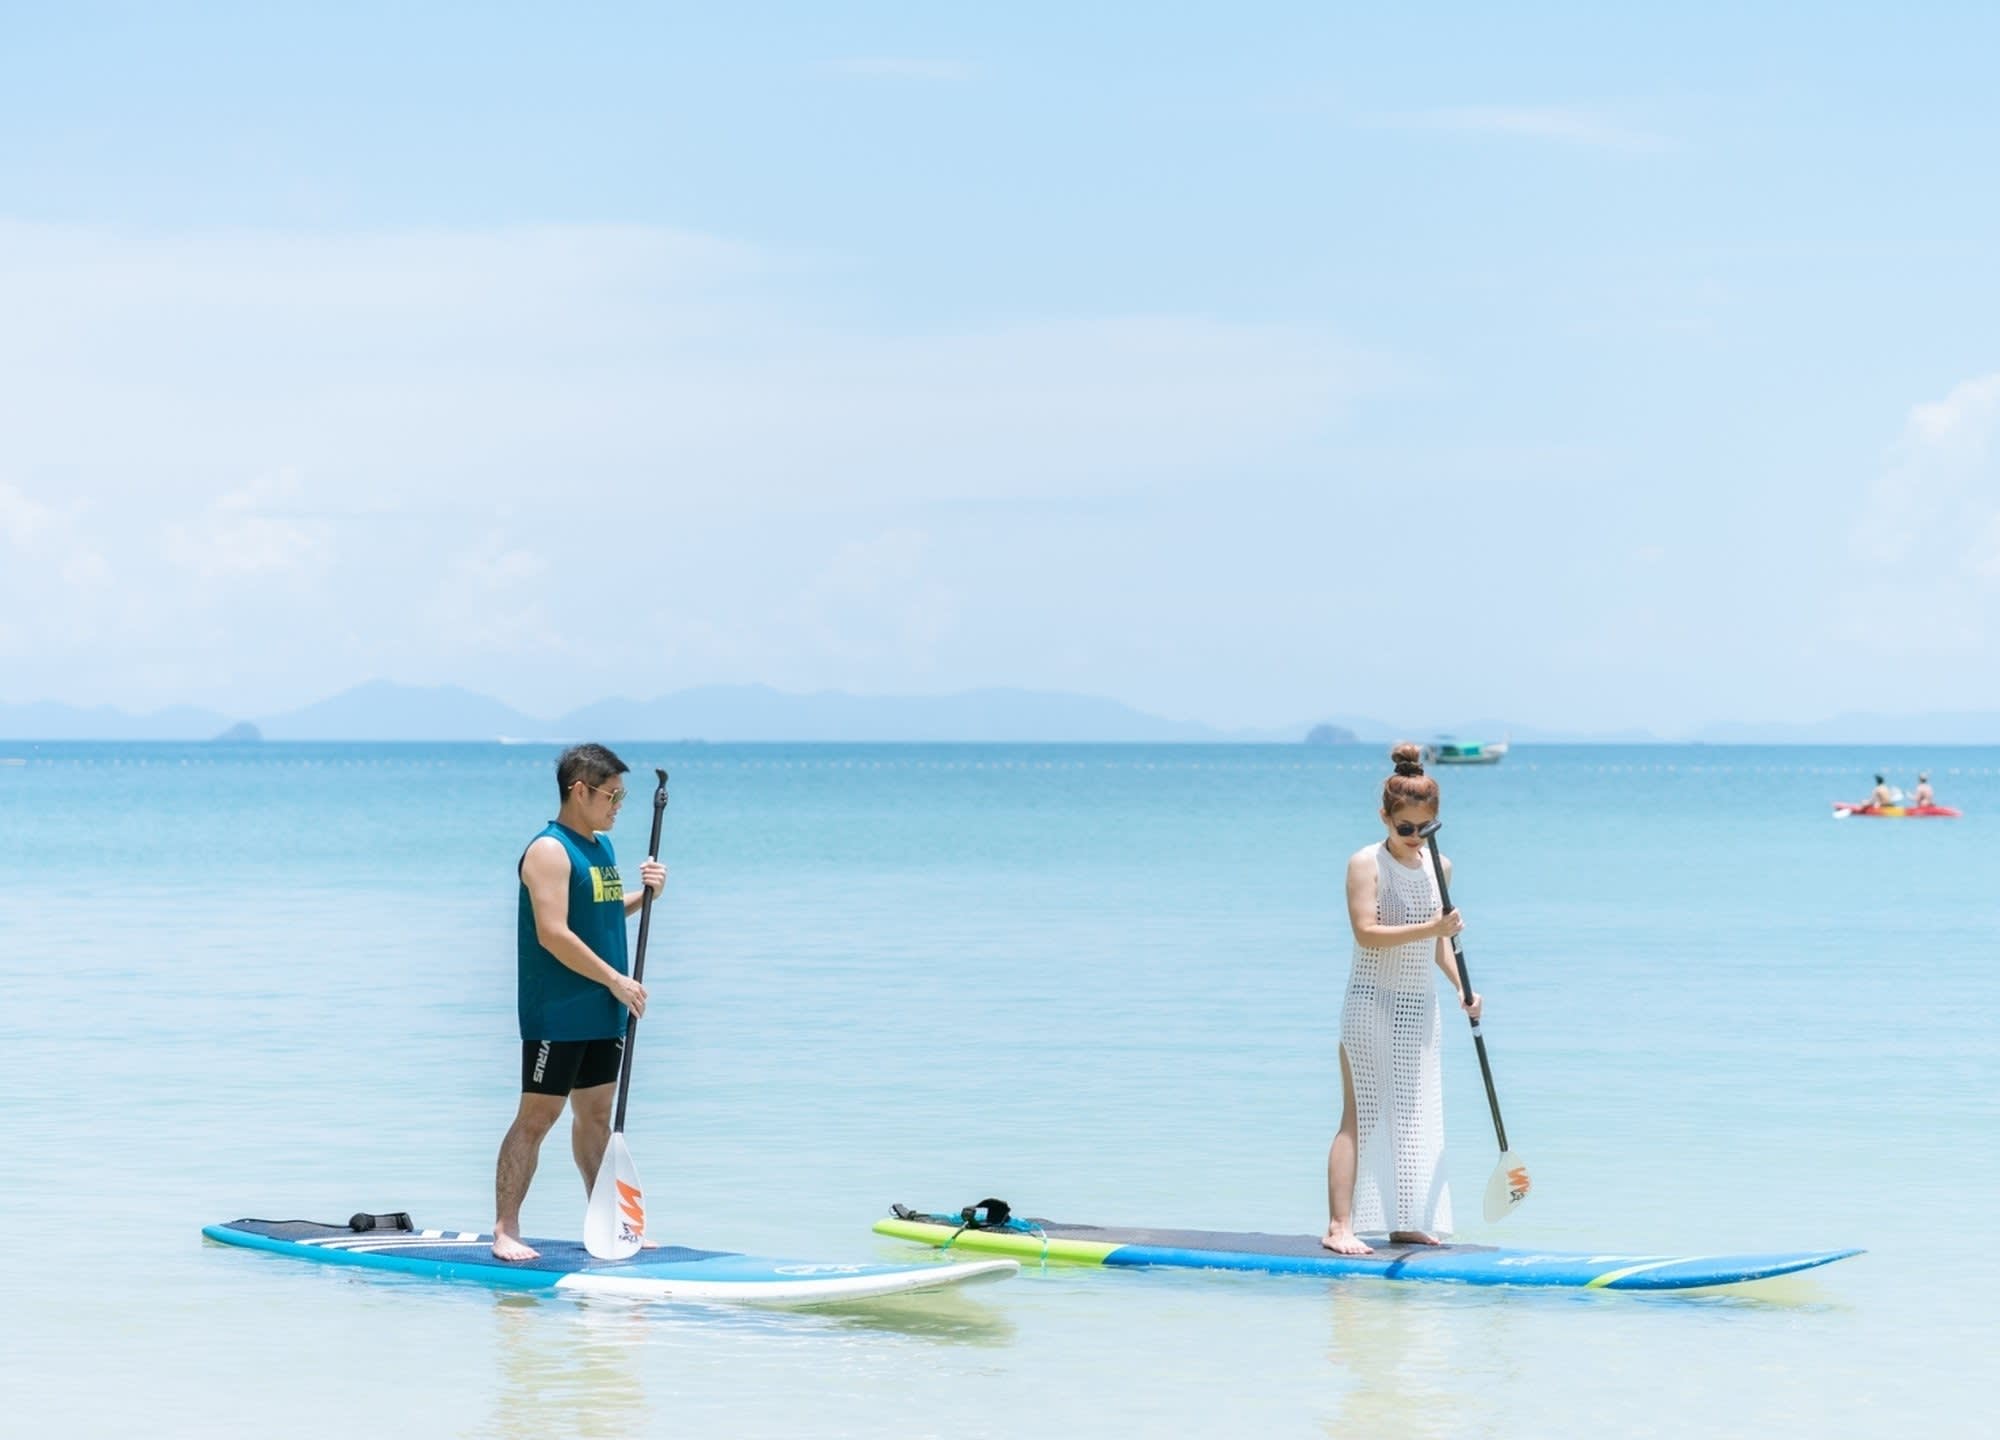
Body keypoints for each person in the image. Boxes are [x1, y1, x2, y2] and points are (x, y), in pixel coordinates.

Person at [493, 743, 666, 1261]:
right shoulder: (549, 851)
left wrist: (645, 896)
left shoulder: (601, 848)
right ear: (579, 791)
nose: (618, 806)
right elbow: (554, 934)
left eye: (623, 796)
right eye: (611, 796)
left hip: (603, 1007)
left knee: (595, 1116)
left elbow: (601, 915)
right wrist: (616, 980)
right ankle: (506, 1228)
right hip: (559, 1010)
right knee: (538, 1116)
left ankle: (609, 1222)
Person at [1323, 743, 1481, 1256]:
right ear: (1384, 818)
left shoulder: (1440, 867)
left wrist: (1463, 988)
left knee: (1414, 1114)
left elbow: (1438, 945)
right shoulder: (1365, 863)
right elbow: (1367, 933)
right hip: (1370, 1003)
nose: (1414, 837)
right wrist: (1433, 927)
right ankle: (1339, 1227)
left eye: (1424, 828)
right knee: (1362, 1115)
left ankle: (1405, 1222)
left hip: (1419, 1009)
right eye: (1404, 827)